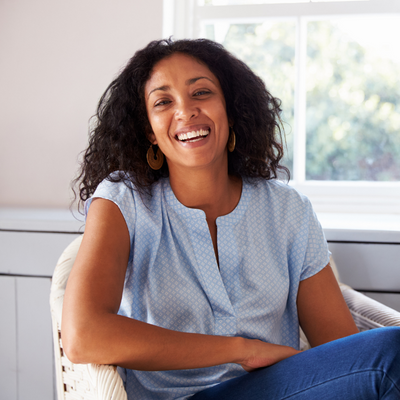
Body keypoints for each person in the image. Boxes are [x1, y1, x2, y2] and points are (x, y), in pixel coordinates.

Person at [62, 38, 400, 399]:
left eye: (202, 93)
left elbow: (345, 353)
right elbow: (84, 335)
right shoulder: (123, 201)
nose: (186, 111)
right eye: (163, 101)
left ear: (231, 109)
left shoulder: (287, 210)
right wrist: (242, 349)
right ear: (149, 130)